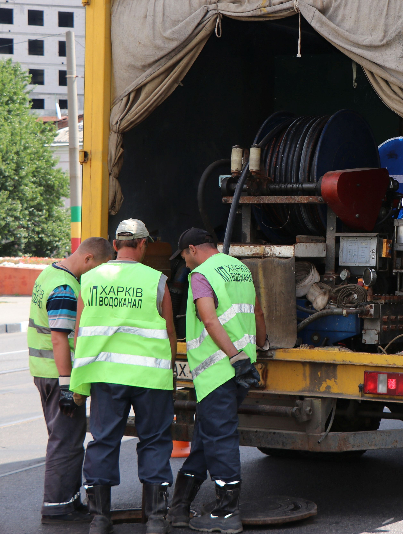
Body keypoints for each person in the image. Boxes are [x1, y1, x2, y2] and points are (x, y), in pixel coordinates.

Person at [71, 219, 176, 534]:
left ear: (115, 245)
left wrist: (80, 380)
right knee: (155, 441)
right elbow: (170, 332)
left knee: (103, 441)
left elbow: (80, 333)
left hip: (106, 376)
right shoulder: (157, 280)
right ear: (143, 245)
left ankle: (100, 518)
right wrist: (168, 373)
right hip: (150, 378)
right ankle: (156, 518)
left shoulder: (89, 279)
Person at [168, 228, 268, 534]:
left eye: (184, 255)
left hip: (218, 371)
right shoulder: (240, 269)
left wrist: (233, 356)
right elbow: (257, 313)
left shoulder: (201, 275)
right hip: (240, 370)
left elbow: (209, 319)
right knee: (207, 436)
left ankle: (226, 514)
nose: (184, 263)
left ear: (194, 249)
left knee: (221, 438)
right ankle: (179, 509)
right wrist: (260, 347)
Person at [27, 236, 113, 524]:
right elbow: (59, 338)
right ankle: (57, 505)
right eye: (96, 267)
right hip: (57, 373)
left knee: (69, 437)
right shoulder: (65, 288)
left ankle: (69, 499)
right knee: (65, 438)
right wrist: (67, 385)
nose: (95, 275)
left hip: (46, 371)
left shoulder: (51, 272)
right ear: (88, 258)